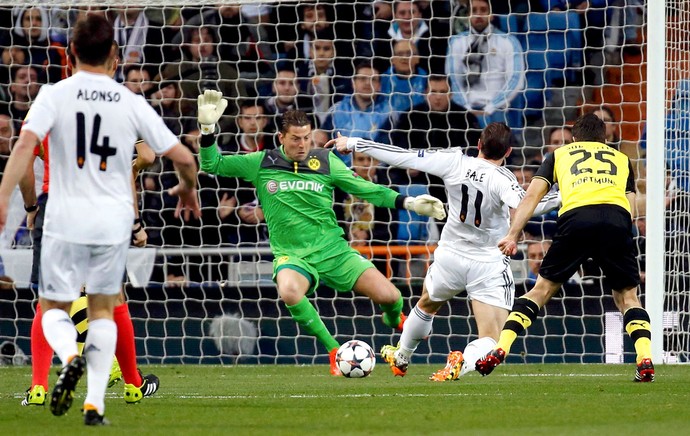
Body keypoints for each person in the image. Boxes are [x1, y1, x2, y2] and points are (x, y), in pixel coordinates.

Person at [0, 14, 200, 425]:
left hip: (62, 211)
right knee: (105, 308)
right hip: (111, 217)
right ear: (114, 55)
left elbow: (23, 146)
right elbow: (180, 156)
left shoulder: (53, 95)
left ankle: (69, 356)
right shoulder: (129, 100)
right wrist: (187, 187)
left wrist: (5, 201)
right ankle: (95, 401)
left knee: (52, 306)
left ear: (70, 53)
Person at [196, 90, 445, 376]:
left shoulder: (325, 161)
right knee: (289, 291)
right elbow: (211, 164)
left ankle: (394, 319)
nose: (303, 145)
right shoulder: (261, 163)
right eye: (295, 139)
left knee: (390, 296)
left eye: (307, 138)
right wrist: (207, 132)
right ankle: (334, 350)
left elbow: (364, 189)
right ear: (281, 138)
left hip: (334, 251)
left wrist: (407, 201)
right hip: (294, 256)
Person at [328, 122, 560, 380]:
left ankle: (402, 354)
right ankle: (462, 361)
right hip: (487, 261)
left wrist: (353, 143)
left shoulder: (454, 161)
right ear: (508, 153)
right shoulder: (503, 178)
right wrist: (565, 196)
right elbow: (530, 205)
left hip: (450, 255)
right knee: (492, 336)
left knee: (427, 304)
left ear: (479, 145)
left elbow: (402, 154)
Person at [476, 113, 655, 383]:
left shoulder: (560, 155)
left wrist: (513, 234)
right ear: (604, 138)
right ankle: (644, 359)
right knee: (628, 297)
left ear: (574, 137)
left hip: (576, 219)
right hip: (616, 222)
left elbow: (531, 197)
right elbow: (629, 208)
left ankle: (500, 348)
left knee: (541, 290)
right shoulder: (621, 159)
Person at [446, 0, 525, 129]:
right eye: (474, 10)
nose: (478, 15)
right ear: (468, 15)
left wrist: (491, 107)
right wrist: (466, 107)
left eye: (483, 10)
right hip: (464, 108)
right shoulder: (456, 42)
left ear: (491, 14)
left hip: (496, 109)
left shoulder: (509, 42)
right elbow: (453, 79)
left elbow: (515, 79)